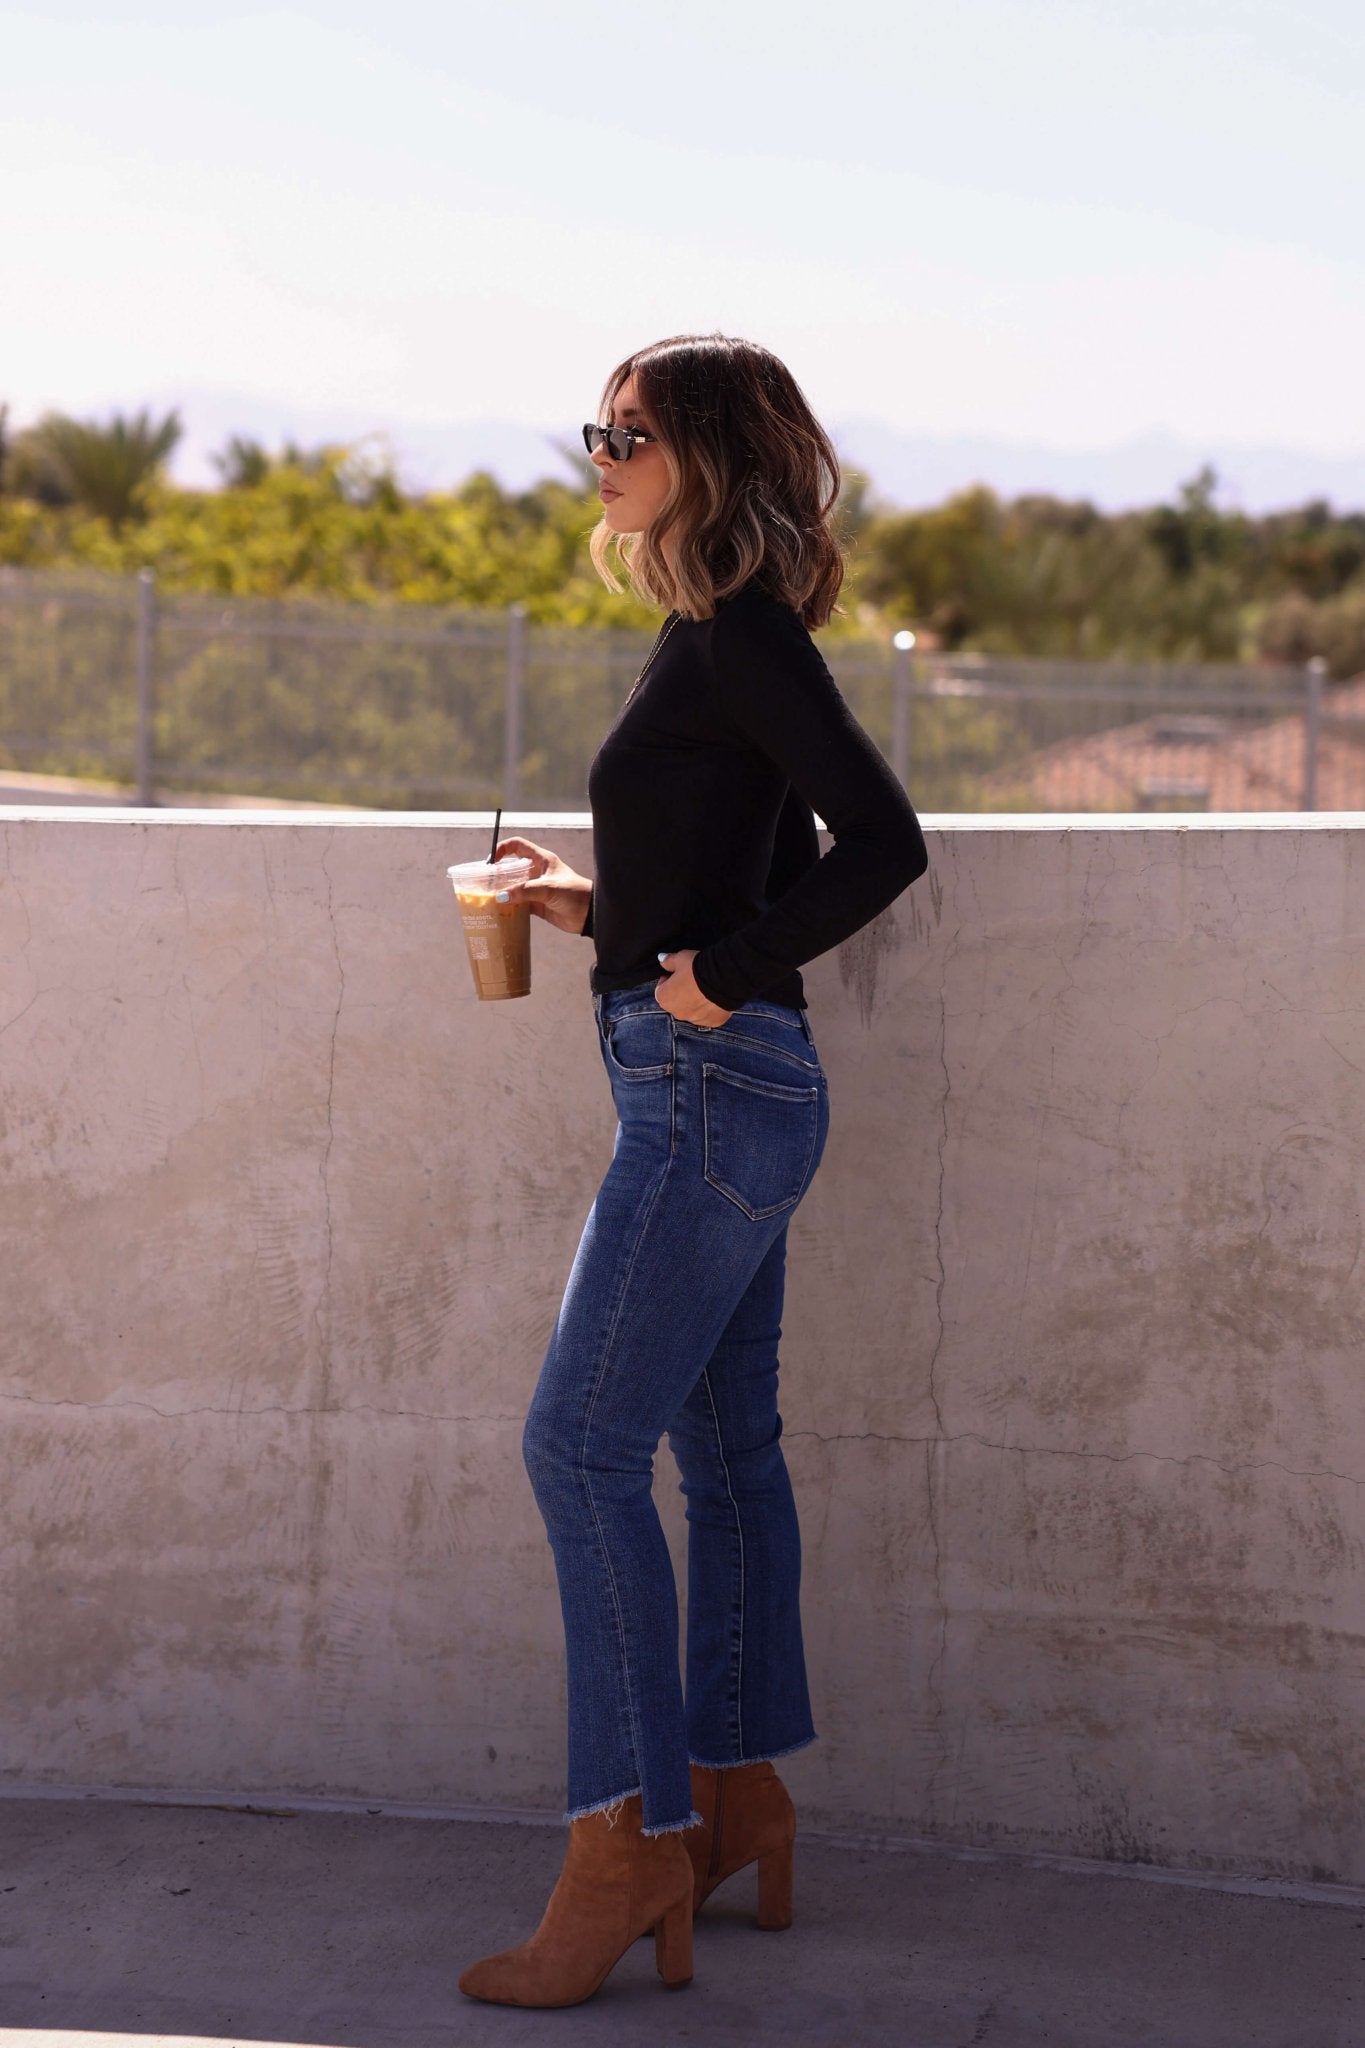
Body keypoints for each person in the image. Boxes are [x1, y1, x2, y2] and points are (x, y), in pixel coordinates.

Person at [458, 334, 929, 2009]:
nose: (602, 450)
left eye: (631, 430)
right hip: (713, 1076)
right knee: (723, 1456)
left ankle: (624, 1845)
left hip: (712, 1084)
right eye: (597, 426)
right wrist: (597, 908)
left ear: (709, 453)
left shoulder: (739, 638)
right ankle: (733, 1799)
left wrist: (717, 983)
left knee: (575, 1451)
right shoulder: (705, 639)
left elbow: (882, 840)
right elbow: (750, 855)